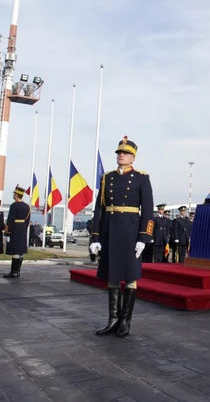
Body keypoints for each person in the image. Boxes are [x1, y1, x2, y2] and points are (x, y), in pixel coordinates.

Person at [89, 136, 154, 337]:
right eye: (119, 153)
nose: (121, 156)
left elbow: (148, 210)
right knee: (113, 275)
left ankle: (125, 321)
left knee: (130, 276)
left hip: (130, 231)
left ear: (133, 158)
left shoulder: (142, 177)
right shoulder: (106, 177)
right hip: (110, 228)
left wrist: (144, 237)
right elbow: (99, 209)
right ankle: (113, 319)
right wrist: (95, 237)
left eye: (125, 153)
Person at [3, 185, 31, 278]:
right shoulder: (27, 206)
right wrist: (23, 229)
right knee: (20, 251)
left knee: (15, 250)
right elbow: (27, 221)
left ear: (16, 195)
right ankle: (17, 271)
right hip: (22, 228)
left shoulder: (14, 205)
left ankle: (13, 271)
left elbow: (10, 220)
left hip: (14, 228)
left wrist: (7, 232)